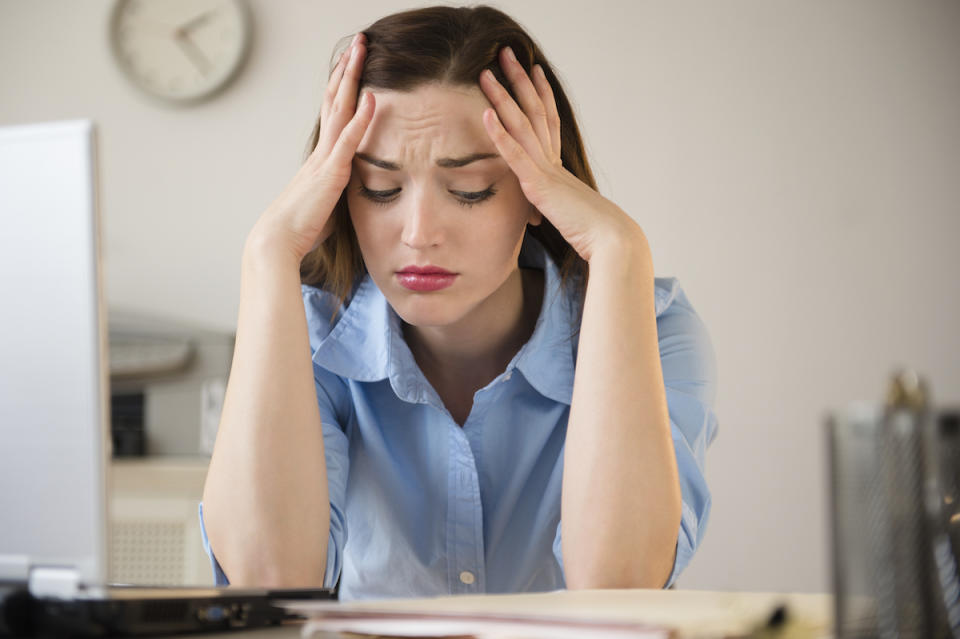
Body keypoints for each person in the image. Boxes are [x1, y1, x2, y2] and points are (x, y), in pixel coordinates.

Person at [199, 5, 718, 601]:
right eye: (380, 189)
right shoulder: (312, 337)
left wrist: (618, 248)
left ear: (536, 193)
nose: (419, 233)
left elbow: (619, 586)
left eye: (470, 190)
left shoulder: (656, 328)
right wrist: (268, 254)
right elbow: (269, 582)